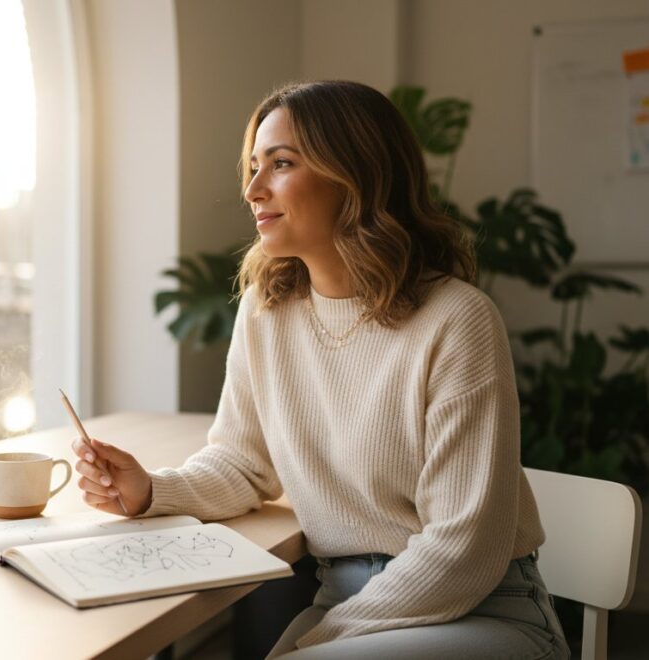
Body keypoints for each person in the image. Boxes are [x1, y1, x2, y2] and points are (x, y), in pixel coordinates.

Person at [70, 80, 570, 659]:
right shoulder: (267, 311)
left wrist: (312, 642)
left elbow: (462, 550)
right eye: (254, 167)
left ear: (355, 176)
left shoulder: (458, 320)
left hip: (482, 612)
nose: (254, 189)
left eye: (280, 164)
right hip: (343, 604)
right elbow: (242, 462)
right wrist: (152, 489)